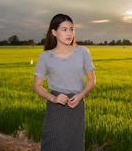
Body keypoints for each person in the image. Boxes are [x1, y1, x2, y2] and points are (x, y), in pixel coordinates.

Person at [33, 13, 96, 151]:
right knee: (53, 144)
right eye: (64, 29)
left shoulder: (83, 52)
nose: (69, 33)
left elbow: (92, 80)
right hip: (56, 107)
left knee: (75, 145)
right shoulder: (45, 57)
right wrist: (54, 98)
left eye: (71, 29)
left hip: (76, 106)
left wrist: (80, 96)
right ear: (54, 32)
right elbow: (37, 86)